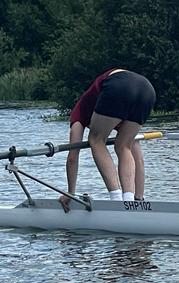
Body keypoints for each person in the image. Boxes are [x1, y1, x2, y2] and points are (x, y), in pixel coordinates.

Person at [59, 69, 156, 212]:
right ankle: (130, 200)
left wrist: (70, 193)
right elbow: (138, 159)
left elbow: (73, 157)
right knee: (124, 146)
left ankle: (116, 199)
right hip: (147, 89)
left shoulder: (80, 112)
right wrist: (139, 200)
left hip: (119, 85)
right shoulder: (116, 115)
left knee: (96, 140)